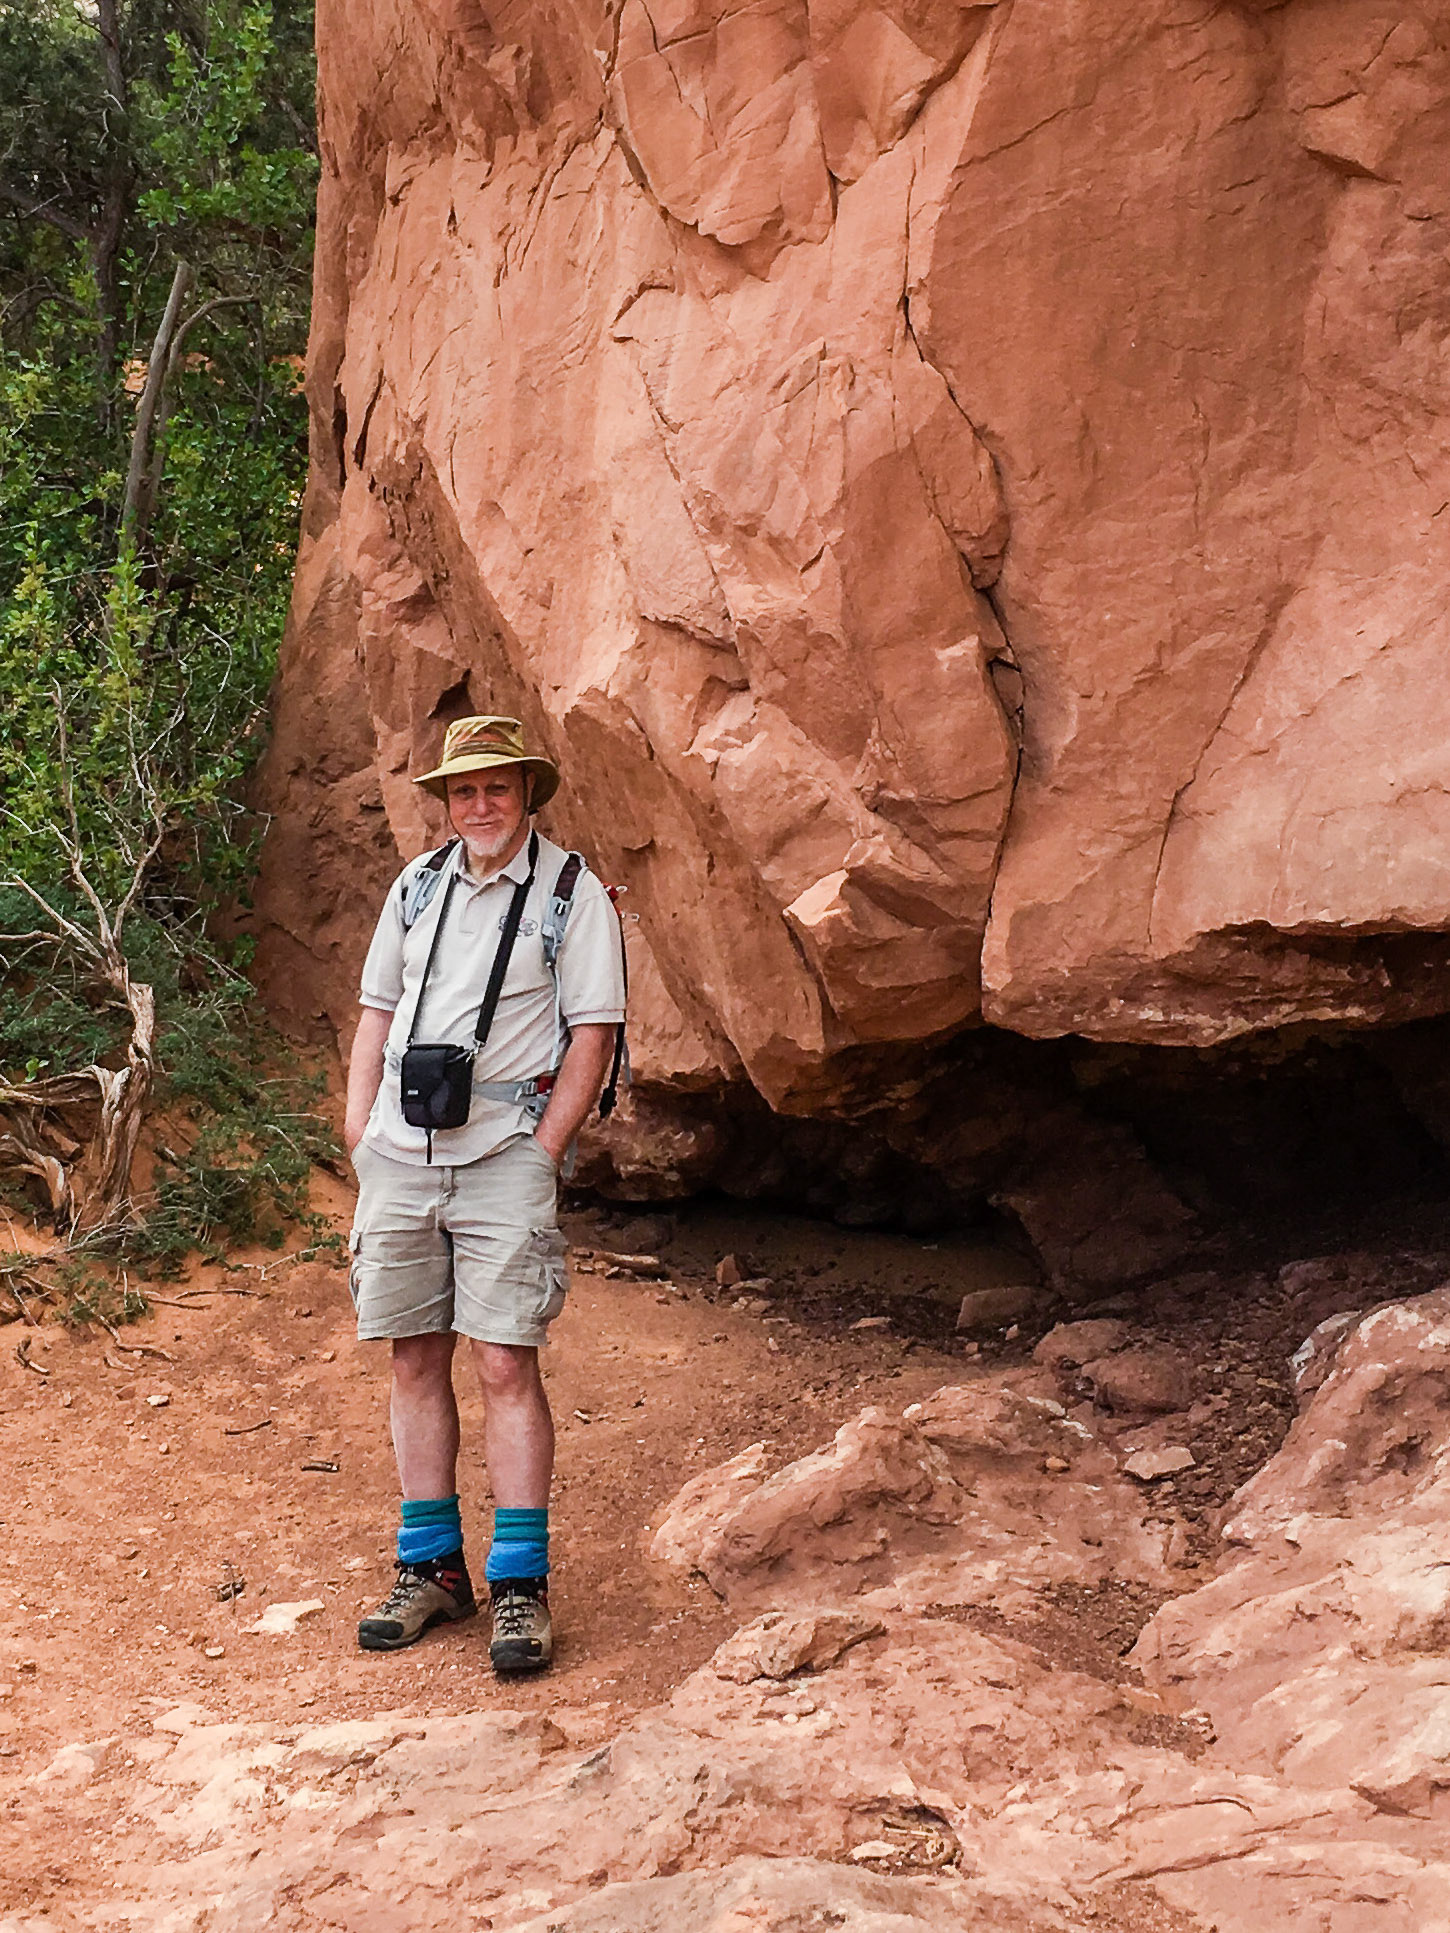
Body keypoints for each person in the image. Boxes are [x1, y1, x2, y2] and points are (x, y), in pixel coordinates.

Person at [343, 715, 626, 1674]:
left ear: (527, 793)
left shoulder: (571, 892)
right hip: (400, 1152)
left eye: (496, 787)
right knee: (413, 1355)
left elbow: (594, 1031)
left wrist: (545, 1151)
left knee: (505, 1364)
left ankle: (519, 1584)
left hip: (505, 1148)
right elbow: (375, 1013)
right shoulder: (416, 886)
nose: (479, 805)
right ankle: (433, 1568)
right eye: (463, 790)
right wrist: (358, 1129)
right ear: (446, 801)